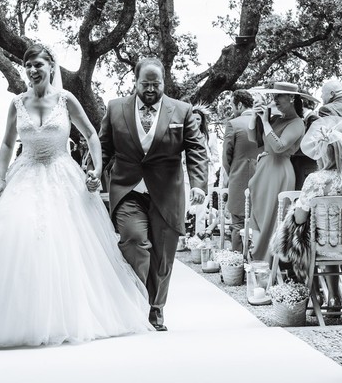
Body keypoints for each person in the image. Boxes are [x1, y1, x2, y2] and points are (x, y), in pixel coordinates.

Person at [0, 44, 152, 348]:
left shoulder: (66, 99)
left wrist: (96, 170)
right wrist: (1, 178)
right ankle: (16, 314)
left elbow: (91, 135)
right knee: (18, 235)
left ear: (51, 66)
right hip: (26, 174)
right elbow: (6, 145)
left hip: (63, 176)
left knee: (67, 243)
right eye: (28, 65)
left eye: (38, 65)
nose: (33, 70)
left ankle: (65, 315)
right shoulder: (17, 103)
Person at [98, 57, 208, 332]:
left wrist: (198, 184)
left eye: (155, 83)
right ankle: (135, 302)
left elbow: (196, 149)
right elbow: (103, 147)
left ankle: (155, 309)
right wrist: (93, 173)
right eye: (144, 83)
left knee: (162, 256)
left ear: (163, 83)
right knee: (135, 242)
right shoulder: (115, 108)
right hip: (127, 190)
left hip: (167, 194)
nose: (150, 89)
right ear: (135, 82)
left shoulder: (181, 111)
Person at [272, 117, 342, 305]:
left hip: (326, 244)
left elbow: (300, 219)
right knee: (327, 232)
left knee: (301, 233)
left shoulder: (317, 180)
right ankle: (334, 297)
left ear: (325, 154)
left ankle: (313, 291)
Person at [246, 82, 310, 262]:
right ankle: (258, 261)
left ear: (291, 98)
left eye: (278, 96)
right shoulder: (277, 119)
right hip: (264, 171)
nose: (274, 100)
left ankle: (267, 264)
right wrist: (255, 115)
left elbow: (279, 147)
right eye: (273, 97)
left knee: (272, 218)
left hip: (279, 172)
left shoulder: (297, 123)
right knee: (258, 215)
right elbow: (254, 139)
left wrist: (266, 122)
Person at [221, 90, 261, 253]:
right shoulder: (264, 121)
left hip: (239, 178)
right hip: (263, 177)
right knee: (259, 221)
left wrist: (233, 173)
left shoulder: (234, 124)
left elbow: (226, 156)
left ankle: (238, 261)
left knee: (238, 223)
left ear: (239, 104)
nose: (232, 109)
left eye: (231, 105)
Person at [188, 105, 219, 238]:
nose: (195, 122)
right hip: (186, 176)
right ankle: (183, 236)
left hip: (207, 177)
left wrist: (207, 158)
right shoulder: (186, 135)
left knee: (201, 209)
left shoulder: (210, 137)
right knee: (186, 208)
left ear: (202, 121)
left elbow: (216, 157)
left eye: (198, 119)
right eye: (193, 119)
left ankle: (198, 238)